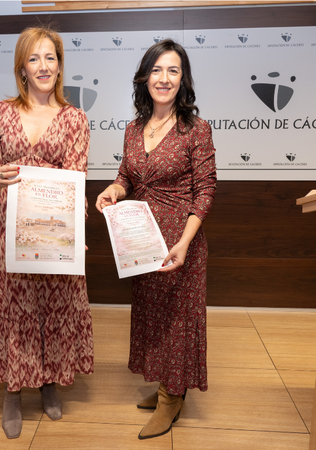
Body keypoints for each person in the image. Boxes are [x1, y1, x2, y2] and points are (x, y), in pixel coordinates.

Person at [0, 25, 94, 440]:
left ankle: (48, 382)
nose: (43, 66)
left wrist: (76, 233)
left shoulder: (75, 119)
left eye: (51, 58)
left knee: (54, 308)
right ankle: (12, 391)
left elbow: (76, 182)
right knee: (13, 311)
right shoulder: (0, 113)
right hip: (9, 236)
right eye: (34, 58)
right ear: (21, 68)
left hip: (54, 235)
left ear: (60, 66)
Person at [95, 39, 217, 440]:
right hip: (142, 241)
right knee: (154, 317)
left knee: (178, 321)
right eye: (157, 70)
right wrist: (114, 189)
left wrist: (185, 242)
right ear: (145, 77)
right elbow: (127, 177)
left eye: (173, 71)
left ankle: (171, 398)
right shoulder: (133, 129)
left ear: (183, 80)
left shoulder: (195, 129)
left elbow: (206, 191)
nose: (164, 78)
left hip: (181, 242)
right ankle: (168, 384)